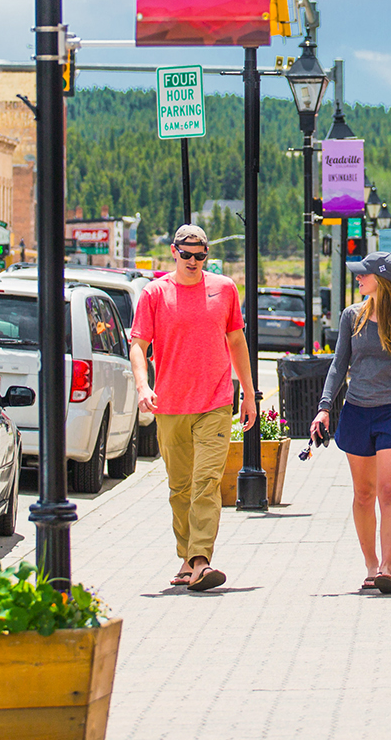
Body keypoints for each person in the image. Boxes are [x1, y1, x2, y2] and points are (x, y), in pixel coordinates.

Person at [130, 224, 258, 593]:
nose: (193, 261)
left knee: (206, 482)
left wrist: (249, 394)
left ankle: (201, 559)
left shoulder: (224, 289)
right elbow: (139, 345)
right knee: (180, 487)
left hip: (215, 401)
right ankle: (187, 559)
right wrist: (143, 386)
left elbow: (237, 341)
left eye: (200, 255)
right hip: (170, 403)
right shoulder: (155, 293)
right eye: (186, 254)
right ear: (174, 251)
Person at [311, 251, 391, 594]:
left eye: (363, 274)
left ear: (382, 279)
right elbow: (338, 364)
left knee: (389, 492)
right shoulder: (352, 316)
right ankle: (370, 565)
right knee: (364, 494)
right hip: (358, 410)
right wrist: (323, 407)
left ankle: (387, 569)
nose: (358, 279)